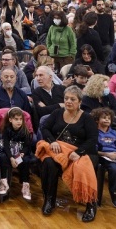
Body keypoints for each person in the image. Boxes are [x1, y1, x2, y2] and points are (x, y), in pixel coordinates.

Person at [36, 86, 99, 222]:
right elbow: (45, 128)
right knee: (48, 162)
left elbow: (92, 140)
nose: (68, 101)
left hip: (82, 152)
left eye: (72, 99)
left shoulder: (87, 118)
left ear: (80, 102)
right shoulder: (57, 113)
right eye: (66, 98)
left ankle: (90, 204)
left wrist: (78, 152)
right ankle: (49, 200)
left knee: (81, 167)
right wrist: (52, 141)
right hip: (59, 150)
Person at [0, 106, 35, 202]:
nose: (19, 121)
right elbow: (6, 146)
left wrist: (21, 154)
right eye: (16, 119)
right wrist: (12, 158)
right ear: (10, 119)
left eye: (21, 119)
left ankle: (25, 185)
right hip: (7, 151)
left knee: (25, 161)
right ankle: (4, 182)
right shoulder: (6, 129)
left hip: (20, 152)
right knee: (4, 158)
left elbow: (26, 146)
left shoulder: (25, 131)